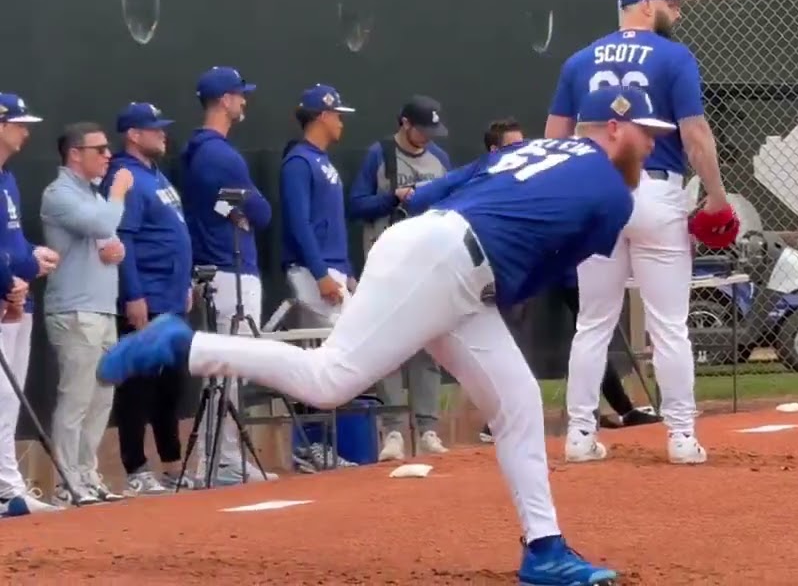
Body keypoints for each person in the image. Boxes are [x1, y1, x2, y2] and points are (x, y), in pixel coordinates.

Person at [99, 84, 673, 586]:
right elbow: (557, 271)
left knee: (519, 401)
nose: (650, 147)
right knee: (330, 379)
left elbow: (429, 194)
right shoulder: (613, 196)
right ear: (615, 129)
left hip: (442, 257)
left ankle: (544, 548)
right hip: (447, 263)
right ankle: (186, 345)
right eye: (645, 135)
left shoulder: (539, 149)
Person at [546, 0, 737, 466]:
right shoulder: (674, 56)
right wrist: (716, 197)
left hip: (595, 193)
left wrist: (569, 195)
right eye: (672, 4)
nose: (678, 13)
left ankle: (580, 435)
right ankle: (679, 436)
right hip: (655, 190)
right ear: (647, 5)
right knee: (669, 325)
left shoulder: (579, 59)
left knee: (593, 322)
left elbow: (555, 136)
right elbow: (694, 135)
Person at [472, 118, 660, 443]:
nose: (522, 149)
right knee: (511, 340)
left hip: (563, 266)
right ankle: (497, 422)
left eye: (522, 143)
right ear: (494, 150)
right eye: (512, 145)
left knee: (591, 331)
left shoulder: (537, 168)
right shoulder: (490, 178)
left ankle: (622, 409)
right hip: (523, 266)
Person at [181, 66, 277, 484]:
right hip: (229, 271)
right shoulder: (220, 153)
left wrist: (232, 211)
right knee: (228, 371)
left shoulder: (198, 152)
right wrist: (241, 212)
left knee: (227, 371)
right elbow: (262, 213)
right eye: (239, 95)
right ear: (224, 100)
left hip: (219, 267)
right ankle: (220, 461)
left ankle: (222, 458)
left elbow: (216, 206)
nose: (243, 102)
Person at [348, 95, 452, 460]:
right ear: (405, 124)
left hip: (429, 264)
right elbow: (357, 204)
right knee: (388, 348)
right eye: (422, 129)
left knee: (427, 349)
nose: (427, 137)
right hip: (387, 263)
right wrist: (392, 198)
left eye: (431, 130)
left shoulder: (440, 160)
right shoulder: (380, 154)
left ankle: (428, 429)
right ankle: (393, 431)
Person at [106, 103, 194, 495]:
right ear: (133, 135)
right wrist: (134, 293)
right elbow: (123, 238)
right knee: (139, 387)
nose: (162, 134)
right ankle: (135, 468)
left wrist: (183, 285)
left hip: (171, 296)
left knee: (170, 387)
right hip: (148, 296)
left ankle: (172, 464)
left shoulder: (155, 175)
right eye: (153, 129)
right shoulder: (125, 175)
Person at [41, 122, 130, 505]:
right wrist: (119, 193)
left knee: (100, 399)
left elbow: (111, 239)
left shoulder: (92, 195)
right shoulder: (58, 193)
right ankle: (66, 481)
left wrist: (117, 248)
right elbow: (105, 224)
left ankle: (87, 474)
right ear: (75, 154)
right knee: (76, 399)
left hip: (102, 308)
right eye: (100, 149)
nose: (108, 156)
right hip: (74, 310)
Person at [280, 84, 359, 472]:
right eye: (337, 114)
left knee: (338, 357)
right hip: (314, 271)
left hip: (332, 268)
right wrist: (319, 272)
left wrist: (347, 271)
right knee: (324, 357)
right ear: (321, 116)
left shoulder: (321, 160)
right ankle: (308, 445)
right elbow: (298, 222)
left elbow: (333, 225)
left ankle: (323, 444)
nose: (341, 121)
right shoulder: (299, 161)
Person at [0, 93, 59, 516]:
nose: (26, 130)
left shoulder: (9, 179)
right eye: (18, 123)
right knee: (1, 393)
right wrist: (8, 283)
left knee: (11, 395)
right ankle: (6, 489)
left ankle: (9, 486)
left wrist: (32, 257)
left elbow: (12, 241)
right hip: (6, 299)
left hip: (19, 297)